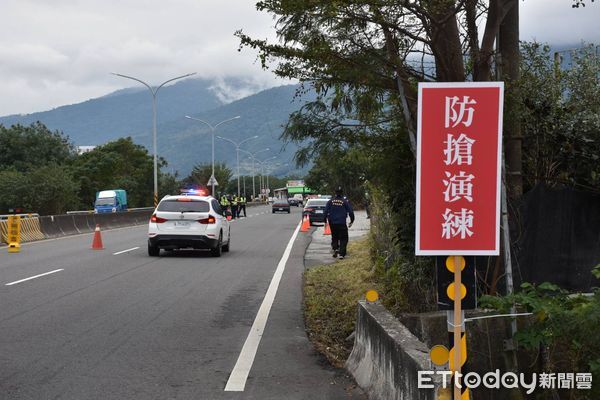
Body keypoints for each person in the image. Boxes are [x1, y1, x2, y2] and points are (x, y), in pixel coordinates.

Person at [324, 186, 355, 259]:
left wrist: (324, 221)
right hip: (341, 223)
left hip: (332, 223)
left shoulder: (330, 201)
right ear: (342, 193)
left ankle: (335, 249)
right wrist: (351, 221)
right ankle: (341, 254)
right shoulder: (344, 202)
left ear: (335, 193)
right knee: (343, 238)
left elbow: (325, 212)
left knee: (334, 236)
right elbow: (350, 212)